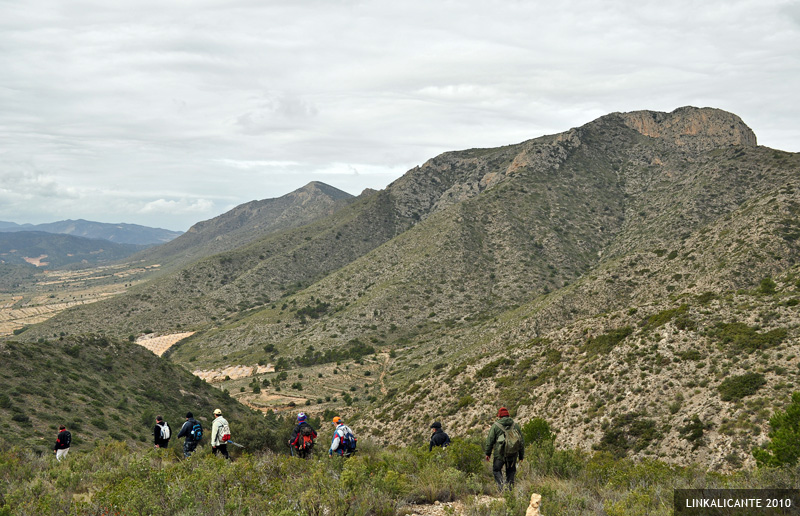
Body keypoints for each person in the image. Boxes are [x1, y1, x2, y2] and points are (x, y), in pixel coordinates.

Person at [484, 407, 524, 490]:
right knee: (511, 472)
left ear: (499, 416)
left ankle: (501, 488)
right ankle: (509, 491)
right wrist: (521, 456)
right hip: (513, 454)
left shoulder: (495, 426)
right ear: (508, 415)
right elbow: (521, 441)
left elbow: (490, 441)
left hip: (500, 454)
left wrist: (488, 453)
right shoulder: (515, 425)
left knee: (496, 470)